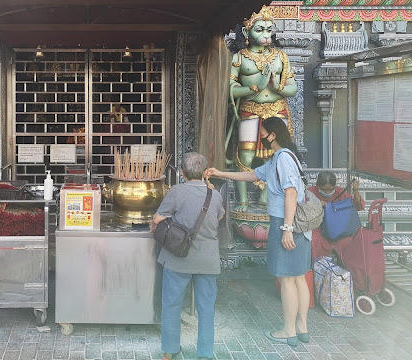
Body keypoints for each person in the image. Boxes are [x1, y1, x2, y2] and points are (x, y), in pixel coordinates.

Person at [206, 117, 310, 348]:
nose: (260, 137)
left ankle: (289, 330)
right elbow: (253, 175)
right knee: (299, 277)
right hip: (298, 225)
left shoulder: (282, 158)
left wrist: (287, 229)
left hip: (286, 222)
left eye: (263, 133)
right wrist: (222, 174)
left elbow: (291, 193)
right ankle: (301, 328)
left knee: (286, 279)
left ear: (273, 135)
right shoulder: (282, 157)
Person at [150, 152, 225, 360]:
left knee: (172, 304)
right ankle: (205, 352)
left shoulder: (177, 191)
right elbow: (220, 216)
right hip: (207, 260)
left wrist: (154, 224)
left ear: (182, 173)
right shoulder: (215, 195)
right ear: (204, 172)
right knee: (206, 307)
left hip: (177, 259)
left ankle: (169, 350)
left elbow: (158, 217)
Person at [228, 6, 297, 210]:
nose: (266, 35)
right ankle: (242, 200)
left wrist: (278, 87)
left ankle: (266, 198)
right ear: (246, 32)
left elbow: (293, 88)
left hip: (277, 109)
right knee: (246, 154)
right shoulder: (240, 57)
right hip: (250, 109)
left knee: (278, 153)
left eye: (269, 30)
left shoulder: (281, 57)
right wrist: (253, 86)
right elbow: (231, 89)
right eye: (260, 29)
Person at [309, 171, 364, 261]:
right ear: (317, 186)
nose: (327, 192)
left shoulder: (339, 192)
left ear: (334, 187)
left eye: (330, 189)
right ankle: (318, 265)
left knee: (351, 240)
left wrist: (355, 191)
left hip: (337, 227)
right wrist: (316, 204)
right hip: (317, 226)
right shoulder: (311, 192)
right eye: (324, 189)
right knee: (314, 241)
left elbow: (358, 206)